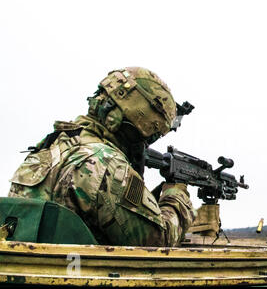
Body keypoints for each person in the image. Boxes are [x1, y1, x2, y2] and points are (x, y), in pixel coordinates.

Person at [7, 67, 196, 246]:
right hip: (80, 274)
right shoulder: (107, 164)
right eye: (152, 135)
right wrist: (176, 195)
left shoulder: (51, 146)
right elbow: (157, 242)